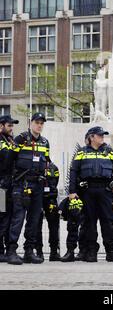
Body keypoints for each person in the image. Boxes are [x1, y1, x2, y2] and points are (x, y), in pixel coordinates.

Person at [69, 126, 113, 262]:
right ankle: (91, 252)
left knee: (107, 222)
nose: (102, 137)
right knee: (89, 222)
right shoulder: (82, 152)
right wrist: (72, 191)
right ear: (91, 137)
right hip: (88, 191)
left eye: (103, 135)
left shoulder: (108, 151)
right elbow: (73, 171)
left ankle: (111, 251)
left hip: (105, 190)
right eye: (100, 135)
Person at [7, 113, 49, 265]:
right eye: (37, 122)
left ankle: (29, 251)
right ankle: (11, 251)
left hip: (37, 185)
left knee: (34, 219)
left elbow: (47, 163)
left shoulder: (45, 142)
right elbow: (9, 161)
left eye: (41, 123)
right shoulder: (20, 139)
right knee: (18, 218)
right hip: (22, 184)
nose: (39, 125)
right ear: (30, 123)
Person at [0, 115, 19, 262]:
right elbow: (6, 161)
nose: (11, 128)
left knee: (10, 217)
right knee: (1, 216)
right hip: (1, 185)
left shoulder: (10, 140)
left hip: (11, 184)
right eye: (9, 125)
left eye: (12, 126)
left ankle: (7, 250)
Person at [35, 161, 60, 261]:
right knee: (36, 226)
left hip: (50, 198)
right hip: (38, 198)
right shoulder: (35, 165)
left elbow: (54, 183)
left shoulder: (53, 167)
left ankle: (53, 252)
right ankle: (39, 252)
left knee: (53, 226)